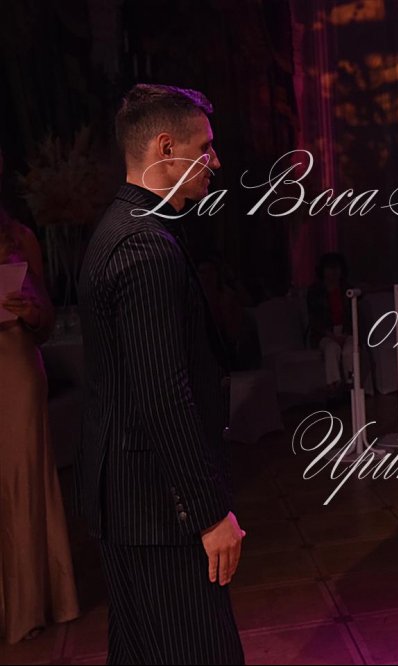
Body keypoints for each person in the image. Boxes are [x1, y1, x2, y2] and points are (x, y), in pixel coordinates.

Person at [78, 84, 245, 664]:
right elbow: (162, 394)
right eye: (205, 148)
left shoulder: (119, 227)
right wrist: (207, 513)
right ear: (166, 149)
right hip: (157, 509)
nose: (215, 162)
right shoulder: (145, 247)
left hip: (129, 501)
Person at [0, 169, 80, 643]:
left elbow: (47, 321)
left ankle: (28, 606)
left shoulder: (20, 236)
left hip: (16, 373)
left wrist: (32, 312)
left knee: (23, 481)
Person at [307, 252, 354, 395]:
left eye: (336, 268)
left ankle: (351, 383)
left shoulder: (348, 290)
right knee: (331, 348)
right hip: (325, 334)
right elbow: (314, 320)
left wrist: (346, 333)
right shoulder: (315, 292)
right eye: (329, 268)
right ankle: (334, 385)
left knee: (349, 349)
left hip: (346, 331)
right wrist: (331, 335)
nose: (333, 272)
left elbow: (353, 315)